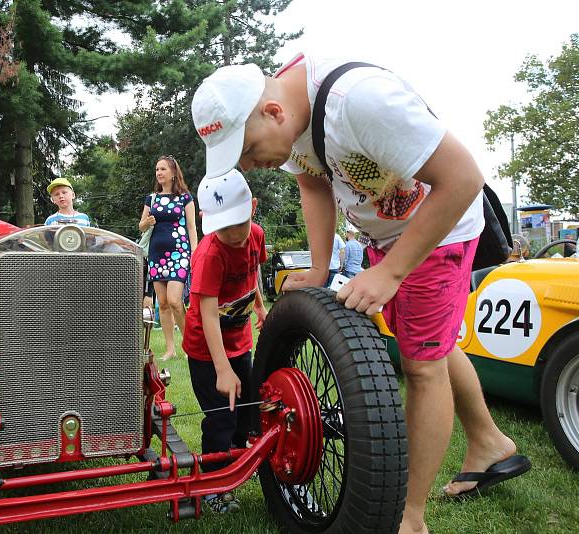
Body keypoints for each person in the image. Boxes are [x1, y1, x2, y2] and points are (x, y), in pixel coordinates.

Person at [192, 58, 528, 534]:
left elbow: (464, 178)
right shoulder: (291, 120)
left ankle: (409, 518)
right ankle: (489, 440)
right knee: (431, 342)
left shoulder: (361, 101)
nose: (247, 165)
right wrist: (321, 267)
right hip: (386, 236)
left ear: (272, 112)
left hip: (439, 233)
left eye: (245, 149)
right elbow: (312, 181)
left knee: (422, 364)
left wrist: (391, 272)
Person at [182, 169, 267, 514]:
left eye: (239, 224)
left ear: (253, 208)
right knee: (221, 416)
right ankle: (214, 486)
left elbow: (253, 273)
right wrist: (221, 370)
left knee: (247, 414)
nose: (233, 234)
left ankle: (234, 468)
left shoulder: (257, 236)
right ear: (207, 221)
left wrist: (260, 306)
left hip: (240, 341)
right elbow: (207, 313)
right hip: (206, 350)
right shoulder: (210, 254)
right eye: (223, 227)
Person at [138, 155, 198, 360]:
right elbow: (141, 226)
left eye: (163, 169)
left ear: (173, 172)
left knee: (175, 301)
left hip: (179, 253)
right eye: (157, 170)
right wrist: (148, 222)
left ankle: (191, 346)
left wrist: (195, 253)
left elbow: (191, 227)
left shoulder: (185, 197)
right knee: (162, 303)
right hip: (156, 254)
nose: (159, 173)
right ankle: (171, 349)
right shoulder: (152, 198)